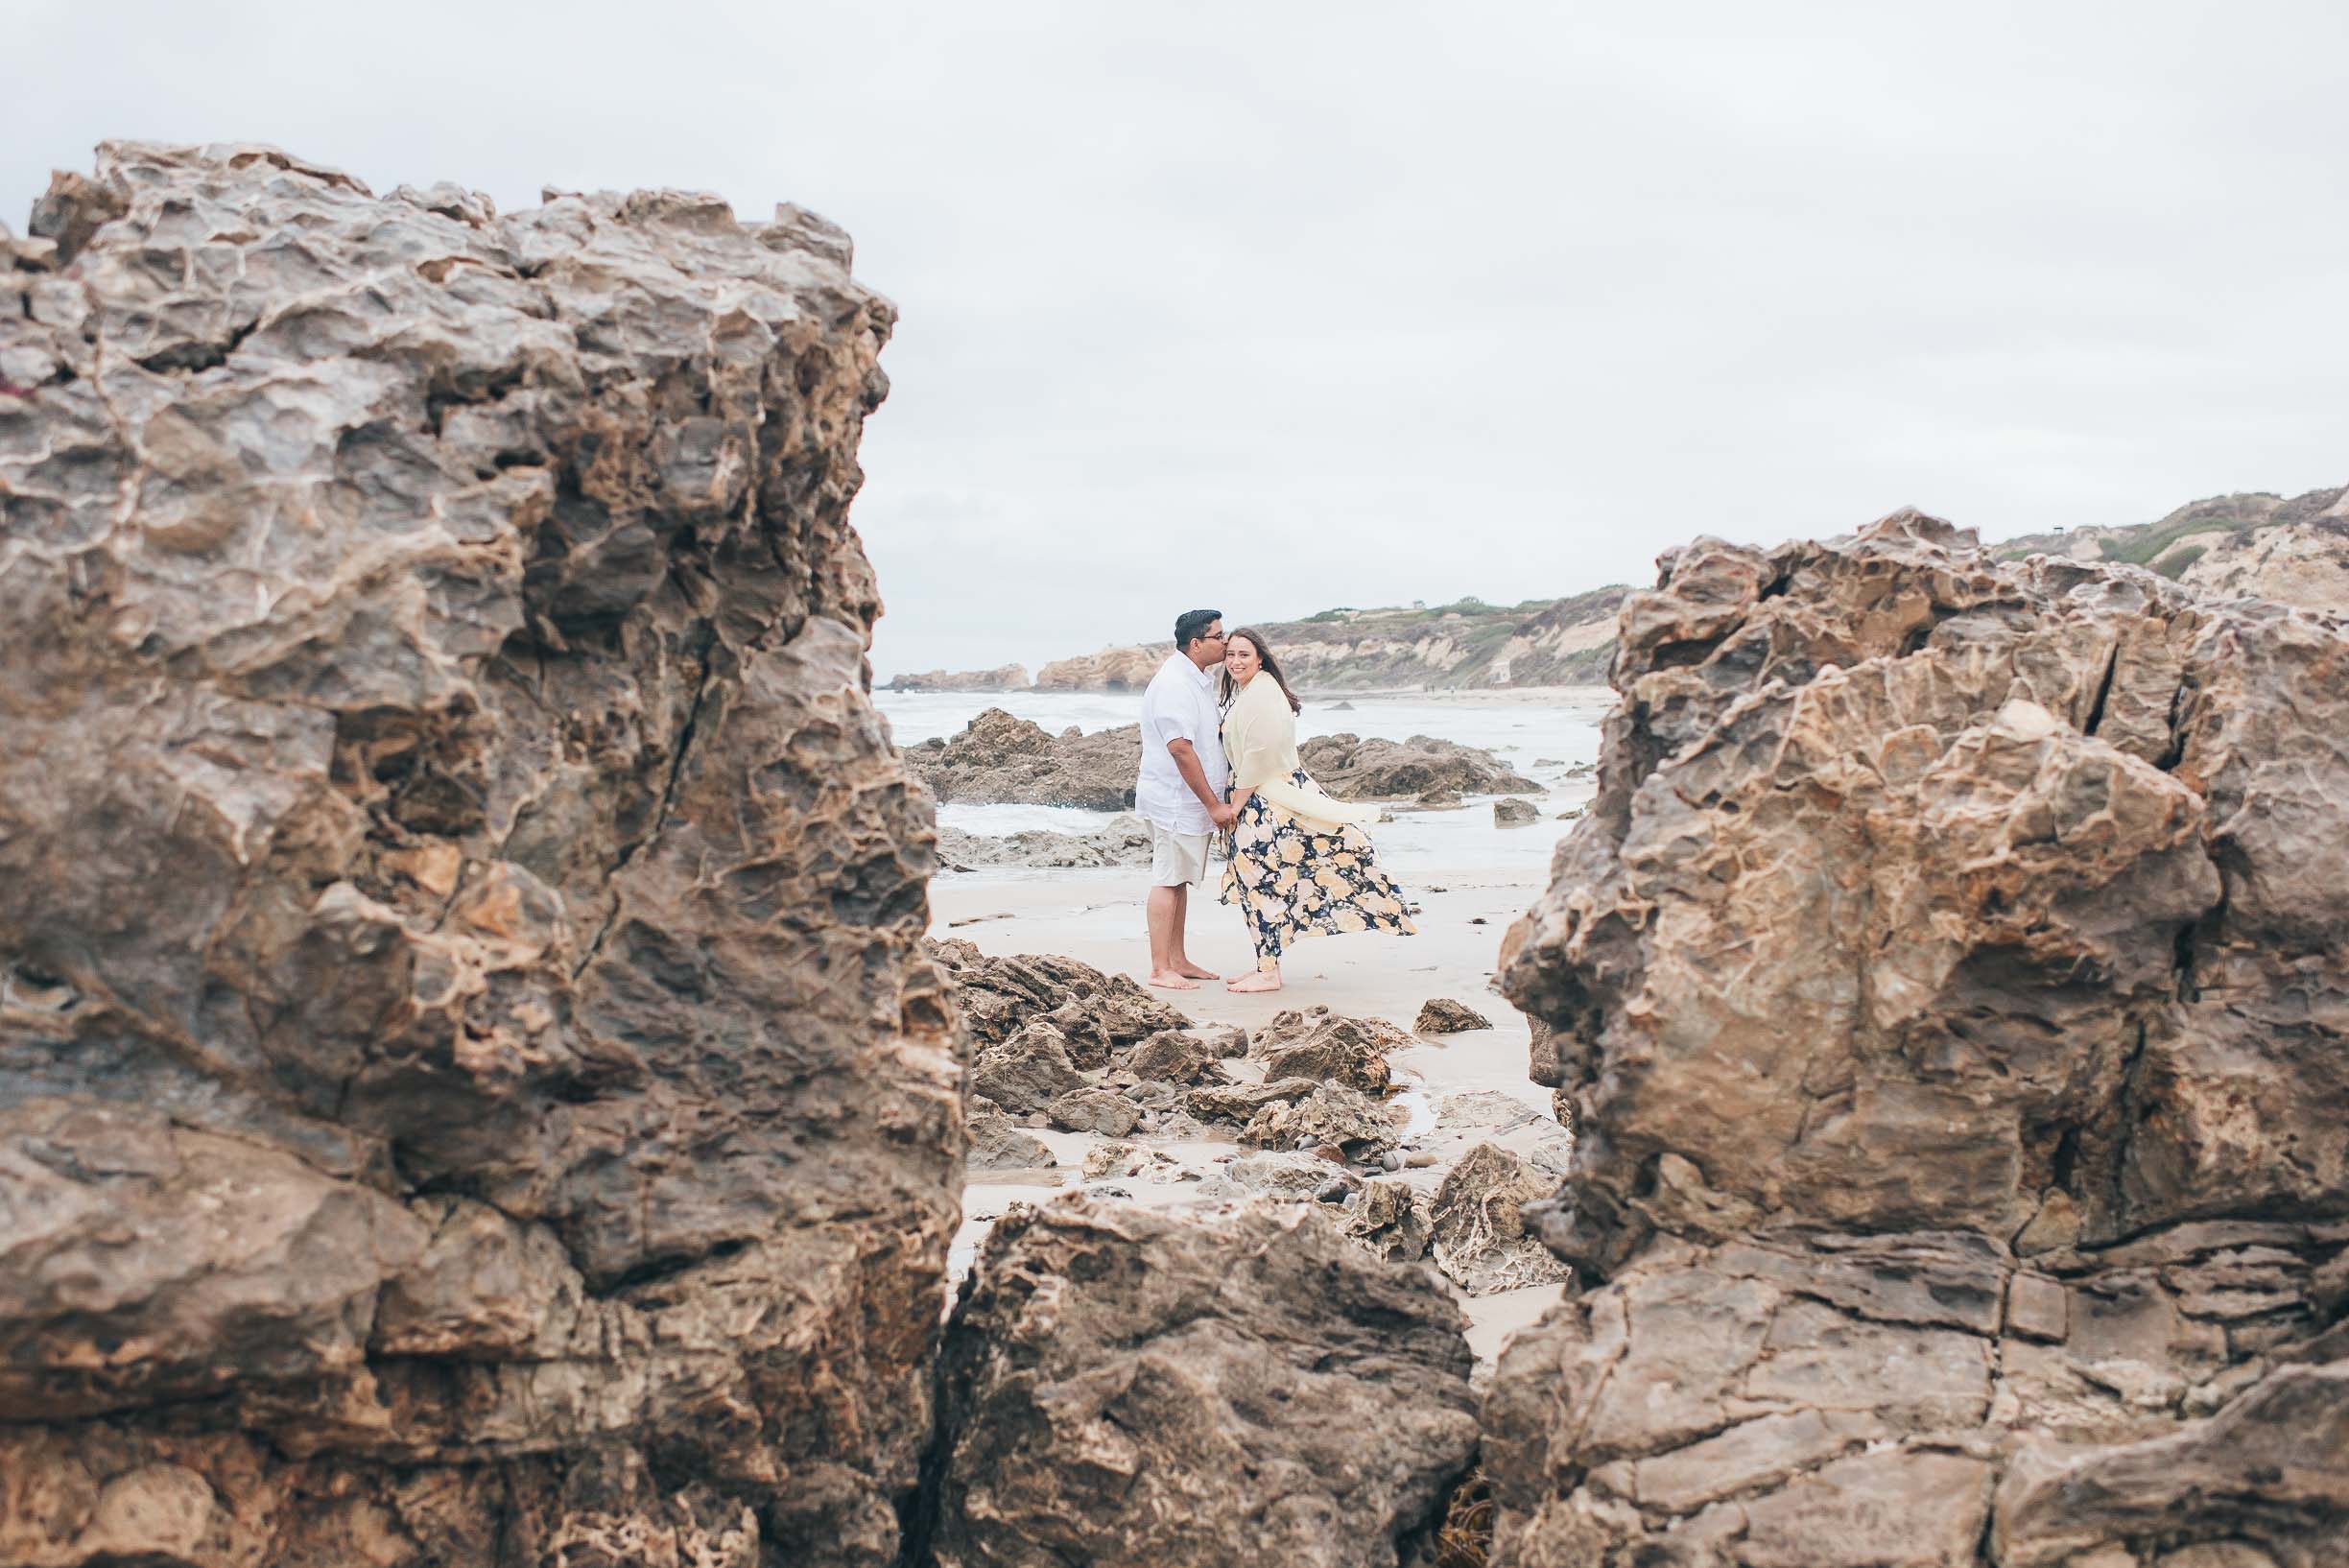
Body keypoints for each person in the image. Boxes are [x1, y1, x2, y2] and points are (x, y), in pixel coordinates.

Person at [1217, 628, 1415, 992]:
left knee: (1262, 884)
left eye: (1243, 654)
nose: (1234, 661)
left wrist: (1234, 807)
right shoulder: (1253, 691)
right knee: (1258, 884)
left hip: (1262, 802)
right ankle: (1264, 964)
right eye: (1229, 654)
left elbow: (1260, 756)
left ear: (1260, 657)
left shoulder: (1262, 693)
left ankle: (1267, 972)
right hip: (1260, 796)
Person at [1136, 608, 1237, 989]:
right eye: (1219, 636)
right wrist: (1213, 804)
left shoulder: (1196, 678)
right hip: (1173, 801)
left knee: (1177, 879)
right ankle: (1160, 968)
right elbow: (1180, 748)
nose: (1225, 643)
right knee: (1166, 878)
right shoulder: (1174, 683)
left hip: (1185, 800)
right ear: (1197, 644)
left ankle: (1177, 959)